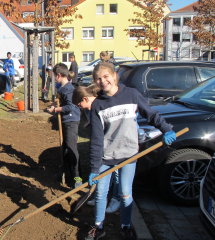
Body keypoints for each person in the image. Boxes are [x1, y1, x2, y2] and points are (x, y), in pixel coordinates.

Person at [85, 62, 176, 240]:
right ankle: (99, 226)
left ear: (114, 76)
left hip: (129, 154)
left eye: (106, 76)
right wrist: (94, 167)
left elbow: (151, 114)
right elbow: (96, 139)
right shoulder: (98, 105)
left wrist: (166, 128)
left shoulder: (131, 95)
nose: (103, 81)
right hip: (107, 156)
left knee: (126, 194)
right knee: (101, 193)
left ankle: (125, 226)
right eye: (98, 79)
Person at [72, 85, 121, 214]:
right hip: (103, 146)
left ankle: (116, 199)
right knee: (100, 171)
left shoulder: (102, 104)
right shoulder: (92, 108)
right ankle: (99, 197)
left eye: (79, 104)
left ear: (85, 99)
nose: (80, 107)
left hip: (115, 145)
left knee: (116, 173)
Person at [48, 63, 81, 188]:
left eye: (54, 75)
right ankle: (66, 173)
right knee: (65, 149)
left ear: (59, 75)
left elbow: (71, 106)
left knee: (72, 149)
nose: (54, 78)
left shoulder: (69, 89)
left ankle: (78, 177)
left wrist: (57, 109)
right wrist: (56, 105)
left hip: (71, 122)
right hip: (66, 121)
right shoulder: (63, 88)